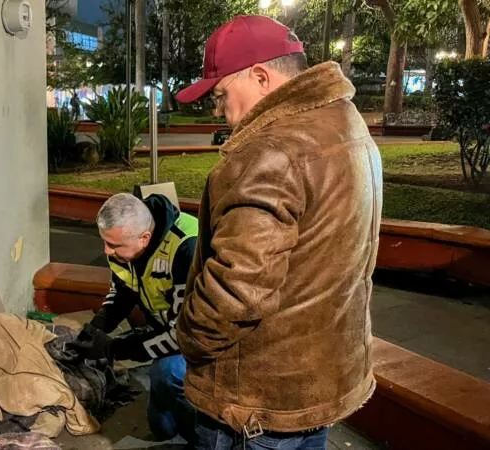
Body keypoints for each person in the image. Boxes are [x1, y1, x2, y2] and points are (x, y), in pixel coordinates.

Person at [174, 15, 382, 450]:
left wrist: (189, 336)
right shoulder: (346, 125)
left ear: (260, 77)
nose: (218, 110)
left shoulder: (269, 152)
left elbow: (237, 289)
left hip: (255, 399)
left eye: (220, 94)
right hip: (320, 382)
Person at [69, 192, 199, 443]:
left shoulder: (187, 248)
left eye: (114, 245)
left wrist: (115, 348)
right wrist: (98, 327)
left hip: (207, 343)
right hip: (169, 328)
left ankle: (209, 436)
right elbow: (123, 291)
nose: (106, 250)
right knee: (162, 427)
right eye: (105, 241)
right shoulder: (127, 242)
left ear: (145, 238)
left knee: (168, 371)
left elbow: (183, 336)